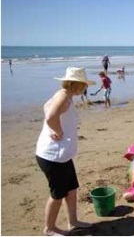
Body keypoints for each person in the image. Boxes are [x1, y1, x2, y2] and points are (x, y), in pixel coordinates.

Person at [35, 67, 95, 235]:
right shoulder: (63, 97)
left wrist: (59, 130)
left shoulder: (64, 95)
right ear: (75, 84)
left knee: (71, 189)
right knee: (57, 194)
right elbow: (50, 117)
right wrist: (58, 132)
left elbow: (50, 112)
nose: (85, 88)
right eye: (83, 85)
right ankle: (49, 228)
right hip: (52, 156)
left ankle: (73, 221)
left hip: (62, 155)